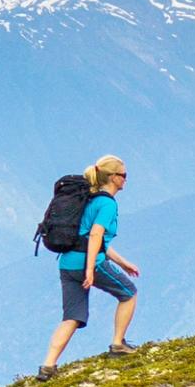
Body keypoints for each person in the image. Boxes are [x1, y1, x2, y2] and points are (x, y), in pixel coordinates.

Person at [41, 156, 137, 373]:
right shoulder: (107, 204)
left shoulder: (87, 200)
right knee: (129, 293)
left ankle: (48, 365)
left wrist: (123, 264)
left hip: (67, 263)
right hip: (88, 263)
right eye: (124, 175)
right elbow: (95, 235)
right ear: (113, 178)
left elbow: (93, 239)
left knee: (72, 317)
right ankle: (118, 344)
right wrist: (90, 269)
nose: (126, 180)